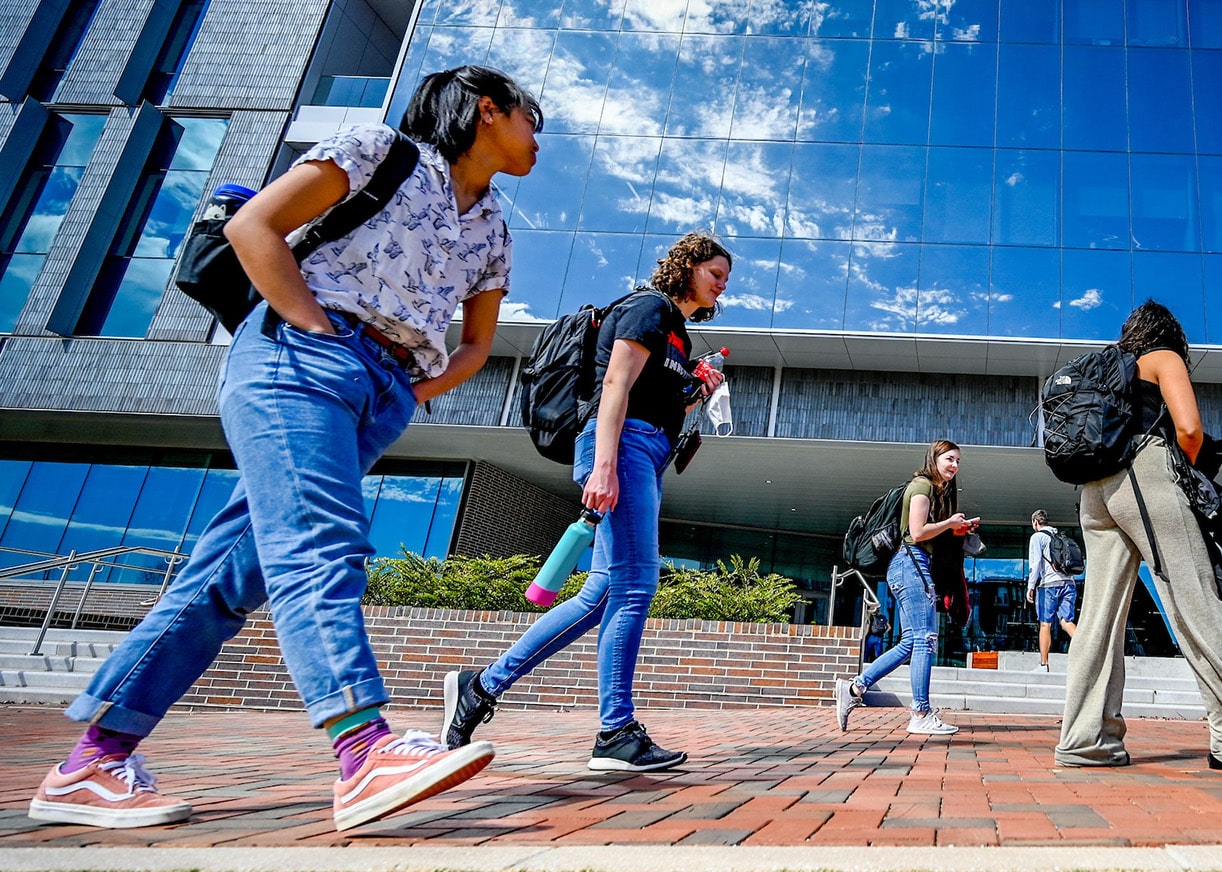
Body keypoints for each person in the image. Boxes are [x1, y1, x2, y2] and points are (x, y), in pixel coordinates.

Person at [31, 66, 538, 832]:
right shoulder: (381, 150)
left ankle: (93, 763)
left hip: (380, 390)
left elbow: (474, 347)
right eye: (533, 120)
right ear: (488, 110)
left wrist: (399, 392)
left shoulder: (495, 227)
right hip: (298, 359)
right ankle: (362, 747)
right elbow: (253, 226)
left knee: (228, 582)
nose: (540, 139)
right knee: (320, 544)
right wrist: (311, 329)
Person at [440, 232, 731, 773]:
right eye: (715, 272)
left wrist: (695, 391)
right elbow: (615, 387)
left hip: (644, 451)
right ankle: (615, 731)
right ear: (687, 266)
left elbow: (658, 402)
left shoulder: (676, 335)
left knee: (603, 594)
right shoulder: (649, 308)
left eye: (725, 279)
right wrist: (604, 465)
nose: (721, 285)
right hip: (621, 449)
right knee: (638, 585)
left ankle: (480, 686)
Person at [1057, 301, 1222, 771]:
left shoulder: (1103, 368)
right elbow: (1189, 429)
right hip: (1145, 477)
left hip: (1094, 492)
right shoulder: (1162, 358)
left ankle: (1086, 740)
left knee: (1099, 618)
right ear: (1168, 332)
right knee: (1194, 599)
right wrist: (1186, 474)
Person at [834, 440, 978, 736]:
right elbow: (916, 532)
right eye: (950, 459)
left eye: (958, 461)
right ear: (934, 458)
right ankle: (921, 712)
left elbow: (923, 534)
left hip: (908, 565)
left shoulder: (931, 490)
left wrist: (954, 530)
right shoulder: (922, 486)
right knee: (925, 638)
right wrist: (949, 523)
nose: (955, 465)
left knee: (911, 641)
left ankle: (854, 687)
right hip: (911, 565)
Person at [1025, 510, 1080, 671]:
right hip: (1069, 583)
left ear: (1035, 522)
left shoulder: (1037, 537)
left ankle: (1044, 665)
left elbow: (1035, 564)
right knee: (1066, 621)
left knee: (1045, 624)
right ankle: (1089, 654)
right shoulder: (1060, 536)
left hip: (1049, 585)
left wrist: (1031, 586)